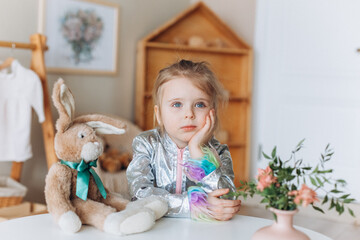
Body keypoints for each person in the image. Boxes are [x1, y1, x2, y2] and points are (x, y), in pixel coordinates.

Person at [126, 59, 241, 221]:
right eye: (177, 104)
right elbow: (139, 195)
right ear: (159, 114)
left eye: (200, 104)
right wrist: (193, 204)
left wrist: (198, 152)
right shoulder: (147, 143)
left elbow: (225, 200)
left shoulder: (219, 151)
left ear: (212, 113)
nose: (189, 114)